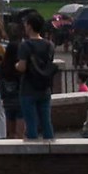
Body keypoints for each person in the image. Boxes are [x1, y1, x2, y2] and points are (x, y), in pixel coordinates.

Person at [17, 13, 59, 142]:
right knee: (46, 121)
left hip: (28, 88)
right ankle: (50, 146)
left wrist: (16, 65)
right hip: (45, 87)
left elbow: (22, 67)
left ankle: (33, 149)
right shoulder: (49, 45)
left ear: (29, 26)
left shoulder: (25, 45)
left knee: (31, 123)